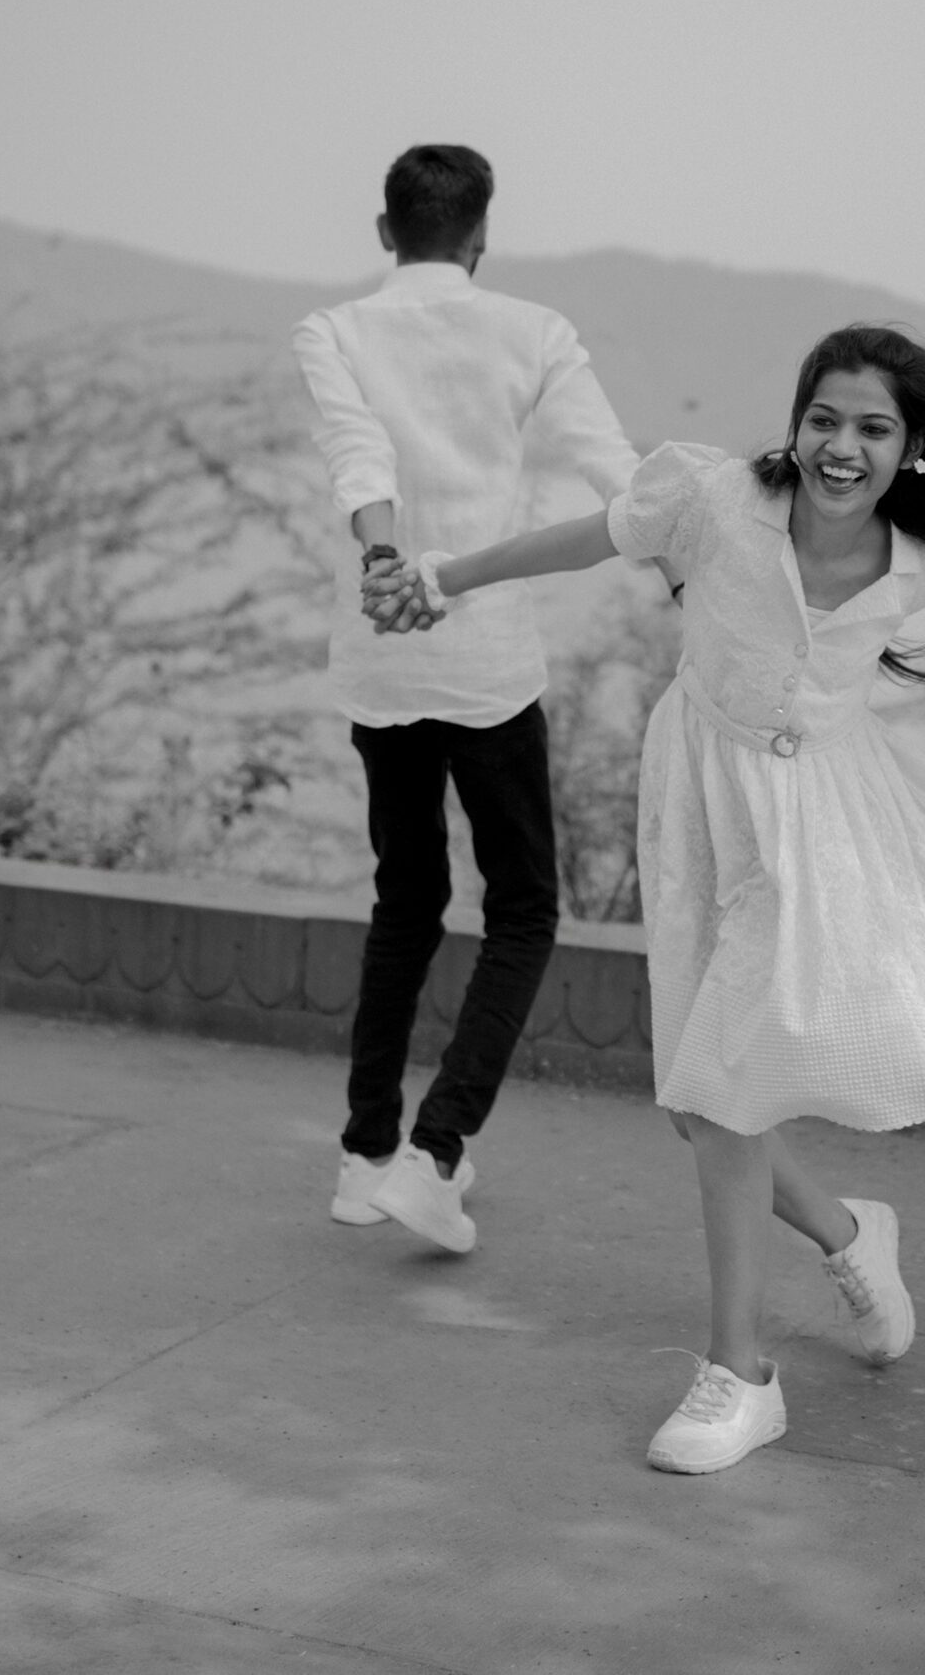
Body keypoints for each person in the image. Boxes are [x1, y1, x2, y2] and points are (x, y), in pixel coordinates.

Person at [365, 322, 925, 1473]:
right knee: (701, 1104)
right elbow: (583, 539)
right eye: (823, 419)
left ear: (911, 445)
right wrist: (441, 576)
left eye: (873, 428)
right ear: (795, 425)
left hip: (823, 833)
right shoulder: (711, 498)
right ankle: (852, 1237)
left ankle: (740, 1374)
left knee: (725, 1091)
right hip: (702, 803)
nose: (843, 446)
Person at [293, 143, 642, 1255]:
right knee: (524, 909)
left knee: (406, 899)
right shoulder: (535, 331)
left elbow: (358, 459)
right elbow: (614, 471)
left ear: (384, 230)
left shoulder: (333, 331)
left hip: (383, 652)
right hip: (486, 655)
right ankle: (435, 1153)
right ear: (482, 233)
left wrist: (383, 562)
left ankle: (365, 1155)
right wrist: (696, 547)